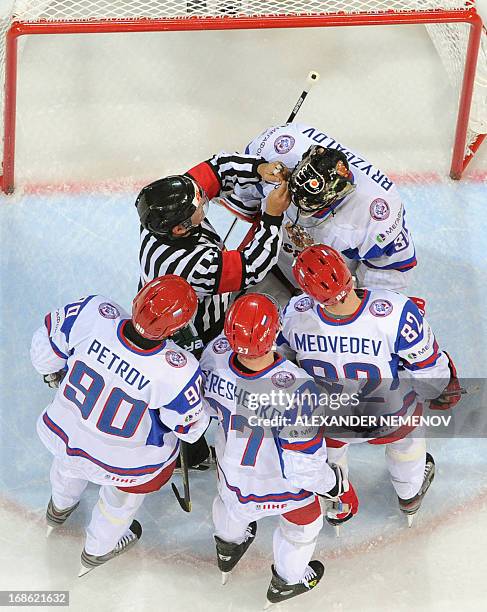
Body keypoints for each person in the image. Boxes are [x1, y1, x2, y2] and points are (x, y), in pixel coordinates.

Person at [30, 275, 209, 575]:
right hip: (126, 465)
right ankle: (97, 550)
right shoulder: (180, 369)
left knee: (68, 463)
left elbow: (43, 352)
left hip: (65, 431)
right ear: (176, 329)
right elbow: (189, 430)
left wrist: (55, 374)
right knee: (119, 501)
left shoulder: (93, 311)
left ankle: (59, 507)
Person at [278, 244, 462, 524]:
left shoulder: (294, 313)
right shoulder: (398, 311)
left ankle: (337, 505)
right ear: (346, 273)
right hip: (390, 418)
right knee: (408, 440)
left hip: (331, 422)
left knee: (327, 447)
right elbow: (431, 380)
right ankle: (409, 494)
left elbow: (281, 366)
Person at [200, 293, 358, 605]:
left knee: (231, 505)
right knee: (304, 525)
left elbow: (200, 409)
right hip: (283, 489)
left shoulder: (215, 355)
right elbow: (303, 468)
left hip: (233, 475)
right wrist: (337, 486)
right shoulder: (298, 388)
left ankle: (227, 550)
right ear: (275, 333)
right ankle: (288, 581)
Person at [221, 123, 417, 294]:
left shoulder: (377, 213)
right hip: (272, 265)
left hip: (329, 292)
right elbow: (242, 195)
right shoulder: (280, 146)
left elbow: (387, 277)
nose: (295, 206)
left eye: (309, 207)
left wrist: (350, 307)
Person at [136, 151, 290, 348]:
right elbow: (252, 266)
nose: (203, 202)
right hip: (205, 330)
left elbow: (216, 169)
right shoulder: (193, 266)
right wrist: (272, 216)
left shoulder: (158, 215)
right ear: (180, 228)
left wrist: (258, 169)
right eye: (200, 208)